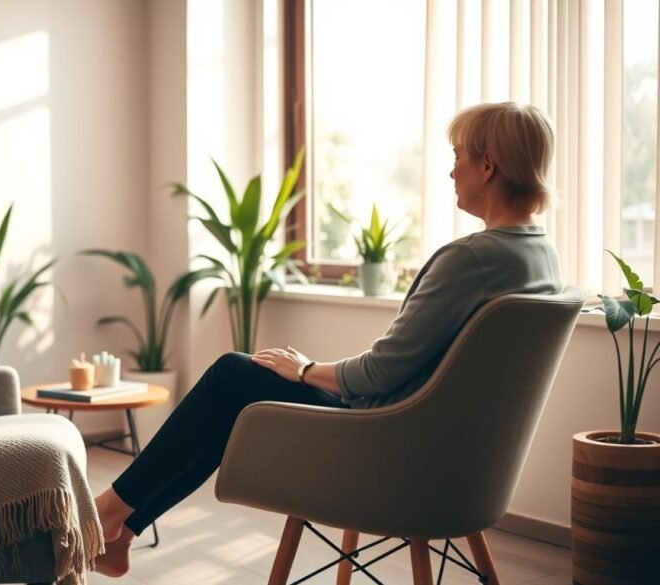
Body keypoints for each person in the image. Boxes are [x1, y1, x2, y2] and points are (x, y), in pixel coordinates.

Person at [93, 101, 563, 577]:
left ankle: (109, 514)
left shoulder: (472, 260)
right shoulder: (541, 256)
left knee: (232, 375)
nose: (451, 170)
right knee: (237, 385)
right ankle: (121, 527)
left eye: (459, 155)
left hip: (389, 452)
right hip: (457, 467)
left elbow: (380, 373)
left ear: (487, 165)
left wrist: (302, 369)